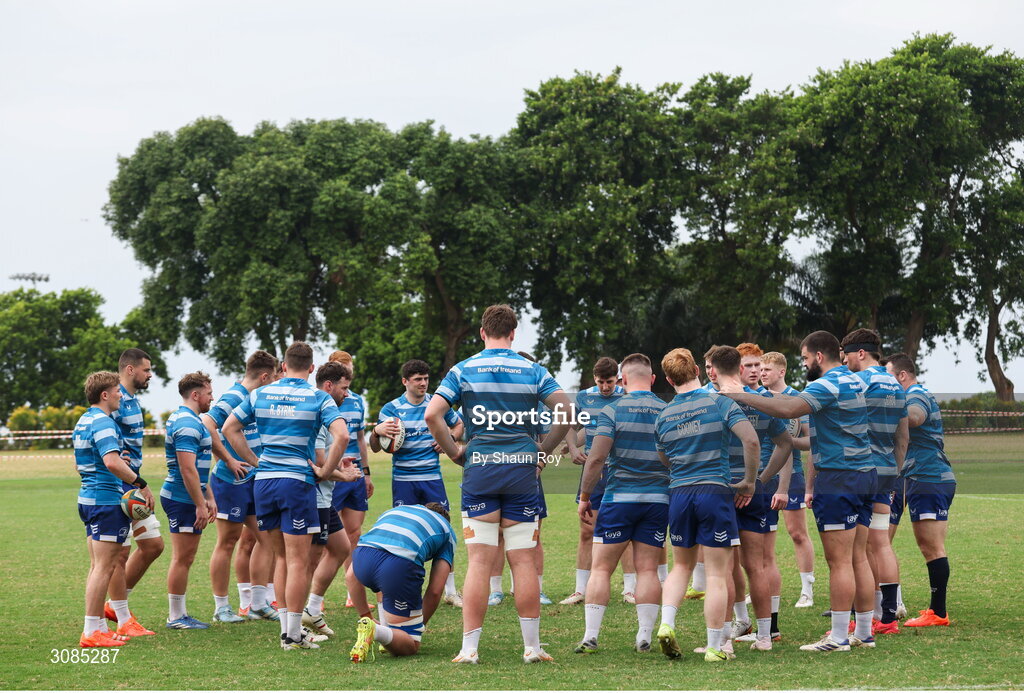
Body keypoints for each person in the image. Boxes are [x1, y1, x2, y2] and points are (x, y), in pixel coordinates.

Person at [426, 304, 572, 664]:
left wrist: (455, 452)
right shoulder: (533, 370)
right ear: (513, 333)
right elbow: (566, 411)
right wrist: (542, 451)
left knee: (479, 561)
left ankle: (469, 649)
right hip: (522, 470)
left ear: (481, 333)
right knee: (523, 560)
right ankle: (532, 647)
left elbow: (432, 414)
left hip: (481, 470)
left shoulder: (463, 370)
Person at [722, 331, 876, 652]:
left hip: (838, 478)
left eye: (805, 358)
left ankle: (837, 638)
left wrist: (739, 395)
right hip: (865, 474)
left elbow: (789, 409)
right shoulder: (855, 381)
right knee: (858, 557)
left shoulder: (825, 384)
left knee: (839, 562)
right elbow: (787, 404)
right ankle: (863, 632)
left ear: (818, 357)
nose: (804, 364)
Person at [223, 341, 351, 650]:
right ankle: (293, 635)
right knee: (297, 561)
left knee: (280, 557)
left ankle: (288, 632)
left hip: (264, 483)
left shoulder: (259, 394)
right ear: (311, 368)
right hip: (296, 483)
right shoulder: (318, 397)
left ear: (282, 366)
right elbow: (343, 435)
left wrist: (257, 462)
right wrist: (324, 471)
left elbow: (229, 428)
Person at [654, 348, 758, 663]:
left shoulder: (664, 414)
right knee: (716, 574)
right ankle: (715, 647)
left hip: (680, 493)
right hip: (714, 491)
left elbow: (664, 458)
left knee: (681, 566)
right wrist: (749, 482)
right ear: (699, 371)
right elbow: (751, 441)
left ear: (669, 379)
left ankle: (666, 624)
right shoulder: (719, 402)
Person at [574, 353, 667, 654]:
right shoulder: (667, 411)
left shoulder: (612, 410)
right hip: (657, 499)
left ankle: (590, 635)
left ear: (623, 380)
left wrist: (585, 496)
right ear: (652, 379)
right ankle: (644, 636)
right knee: (648, 570)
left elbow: (597, 458)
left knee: (601, 568)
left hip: (619, 498)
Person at [710, 346, 794, 652]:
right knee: (754, 566)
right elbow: (785, 444)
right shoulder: (764, 402)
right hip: (751, 490)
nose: (756, 370)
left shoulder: (713, 400)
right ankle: (761, 636)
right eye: (750, 365)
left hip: (723, 489)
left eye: (759, 365)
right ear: (739, 369)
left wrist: (759, 480)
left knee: (732, 567)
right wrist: (759, 481)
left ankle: (728, 640)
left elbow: (786, 444)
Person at [370, 359, 463, 604]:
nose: (423, 383)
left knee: (444, 530)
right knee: (404, 535)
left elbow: (459, 424)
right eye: (417, 380)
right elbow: (377, 447)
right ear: (405, 382)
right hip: (404, 481)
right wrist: (376, 432)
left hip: (432, 478)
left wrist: (451, 436)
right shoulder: (391, 409)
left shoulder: (436, 404)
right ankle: (404, 588)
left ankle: (451, 592)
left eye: (425, 379)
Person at [75, 371, 154, 647]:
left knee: (99, 565)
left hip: (87, 498)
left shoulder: (84, 420)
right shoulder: (104, 423)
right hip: (106, 501)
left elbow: (83, 463)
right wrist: (140, 482)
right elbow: (111, 463)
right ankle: (91, 632)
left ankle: (97, 626)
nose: (121, 394)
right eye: (116, 391)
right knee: (104, 568)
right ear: (105, 395)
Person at [204, 350, 280, 623]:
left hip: (253, 481)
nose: (273, 383)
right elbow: (207, 423)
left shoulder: (257, 398)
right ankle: (221, 608)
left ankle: (258, 603)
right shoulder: (234, 396)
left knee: (267, 538)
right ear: (263, 376)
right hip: (229, 482)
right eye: (272, 378)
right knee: (227, 542)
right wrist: (228, 459)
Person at [842, 330, 909, 635]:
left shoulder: (860, 383)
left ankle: (862, 617)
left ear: (860, 353)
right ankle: (889, 616)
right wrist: (893, 471)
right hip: (886, 470)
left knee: (858, 549)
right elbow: (903, 436)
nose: (843, 360)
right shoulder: (896, 384)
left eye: (846, 353)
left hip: (861, 470)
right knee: (880, 543)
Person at [885, 353, 955, 628]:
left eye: (888, 376)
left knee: (931, 547)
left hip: (929, 478)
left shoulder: (916, 394)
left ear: (902, 375)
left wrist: (887, 409)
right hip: (917, 477)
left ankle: (938, 613)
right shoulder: (909, 393)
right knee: (927, 546)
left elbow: (914, 417)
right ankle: (923, 609)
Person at [562, 357, 633, 605]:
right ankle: (580, 589)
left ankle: (630, 590)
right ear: (595, 379)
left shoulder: (627, 396)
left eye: (610, 382)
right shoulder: (584, 397)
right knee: (586, 530)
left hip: (622, 471)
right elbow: (568, 425)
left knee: (626, 530)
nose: (605, 387)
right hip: (594, 472)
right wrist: (572, 448)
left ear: (619, 379)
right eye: (601, 382)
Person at [347, 503, 458, 661]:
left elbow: (350, 575)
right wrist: (417, 627)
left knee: (383, 583)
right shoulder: (447, 530)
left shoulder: (396, 511)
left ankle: (372, 625)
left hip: (362, 556)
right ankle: (376, 630)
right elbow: (435, 590)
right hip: (399, 564)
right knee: (411, 644)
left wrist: (365, 614)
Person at [489, 350, 554, 607]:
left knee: (532, 534)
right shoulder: (493, 401)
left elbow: (547, 440)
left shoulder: (537, 404)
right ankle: (496, 590)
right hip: (496, 475)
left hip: (527, 477)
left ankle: (534, 589)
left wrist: (539, 463)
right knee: (497, 535)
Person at [104, 348, 161, 637]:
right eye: (146, 370)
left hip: (134, 482)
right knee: (119, 555)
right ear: (130, 370)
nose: (150, 375)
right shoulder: (114, 401)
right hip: (121, 486)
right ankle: (124, 618)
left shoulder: (133, 401)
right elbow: (106, 442)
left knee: (154, 546)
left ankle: (115, 604)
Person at [303, 361, 361, 637]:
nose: (347, 394)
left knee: (340, 548)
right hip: (314, 498)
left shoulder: (327, 409)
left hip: (325, 498)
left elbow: (326, 455)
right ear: (329, 386)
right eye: (344, 388)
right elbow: (318, 461)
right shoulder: (319, 409)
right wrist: (344, 475)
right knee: (308, 560)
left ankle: (312, 611)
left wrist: (341, 461)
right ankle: (297, 621)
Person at [759, 351, 816, 608]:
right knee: (760, 535)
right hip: (762, 476)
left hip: (791, 476)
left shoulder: (797, 400)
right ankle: (762, 587)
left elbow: (810, 441)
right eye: (760, 369)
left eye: (766, 370)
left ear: (781, 371)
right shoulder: (757, 399)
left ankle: (807, 589)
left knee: (797, 532)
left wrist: (785, 443)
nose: (762, 374)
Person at [161, 371, 216, 629]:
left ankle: (178, 614)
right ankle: (176, 617)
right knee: (183, 557)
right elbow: (187, 469)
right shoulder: (187, 423)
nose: (212, 398)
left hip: (189, 496)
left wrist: (209, 497)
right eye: (208, 393)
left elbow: (200, 467)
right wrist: (199, 504)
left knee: (187, 556)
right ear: (195, 395)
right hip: (182, 498)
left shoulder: (190, 419)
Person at [324, 351, 374, 611]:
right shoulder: (322, 400)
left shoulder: (356, 401)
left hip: (354, 473)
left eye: (350, 369)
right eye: (343, 369)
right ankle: (316, 595)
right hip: (331, 474)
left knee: (354, 533)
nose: (348, 374)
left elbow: (360, 439)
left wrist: (366, 473)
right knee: (325, 536)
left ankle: (352, 590)